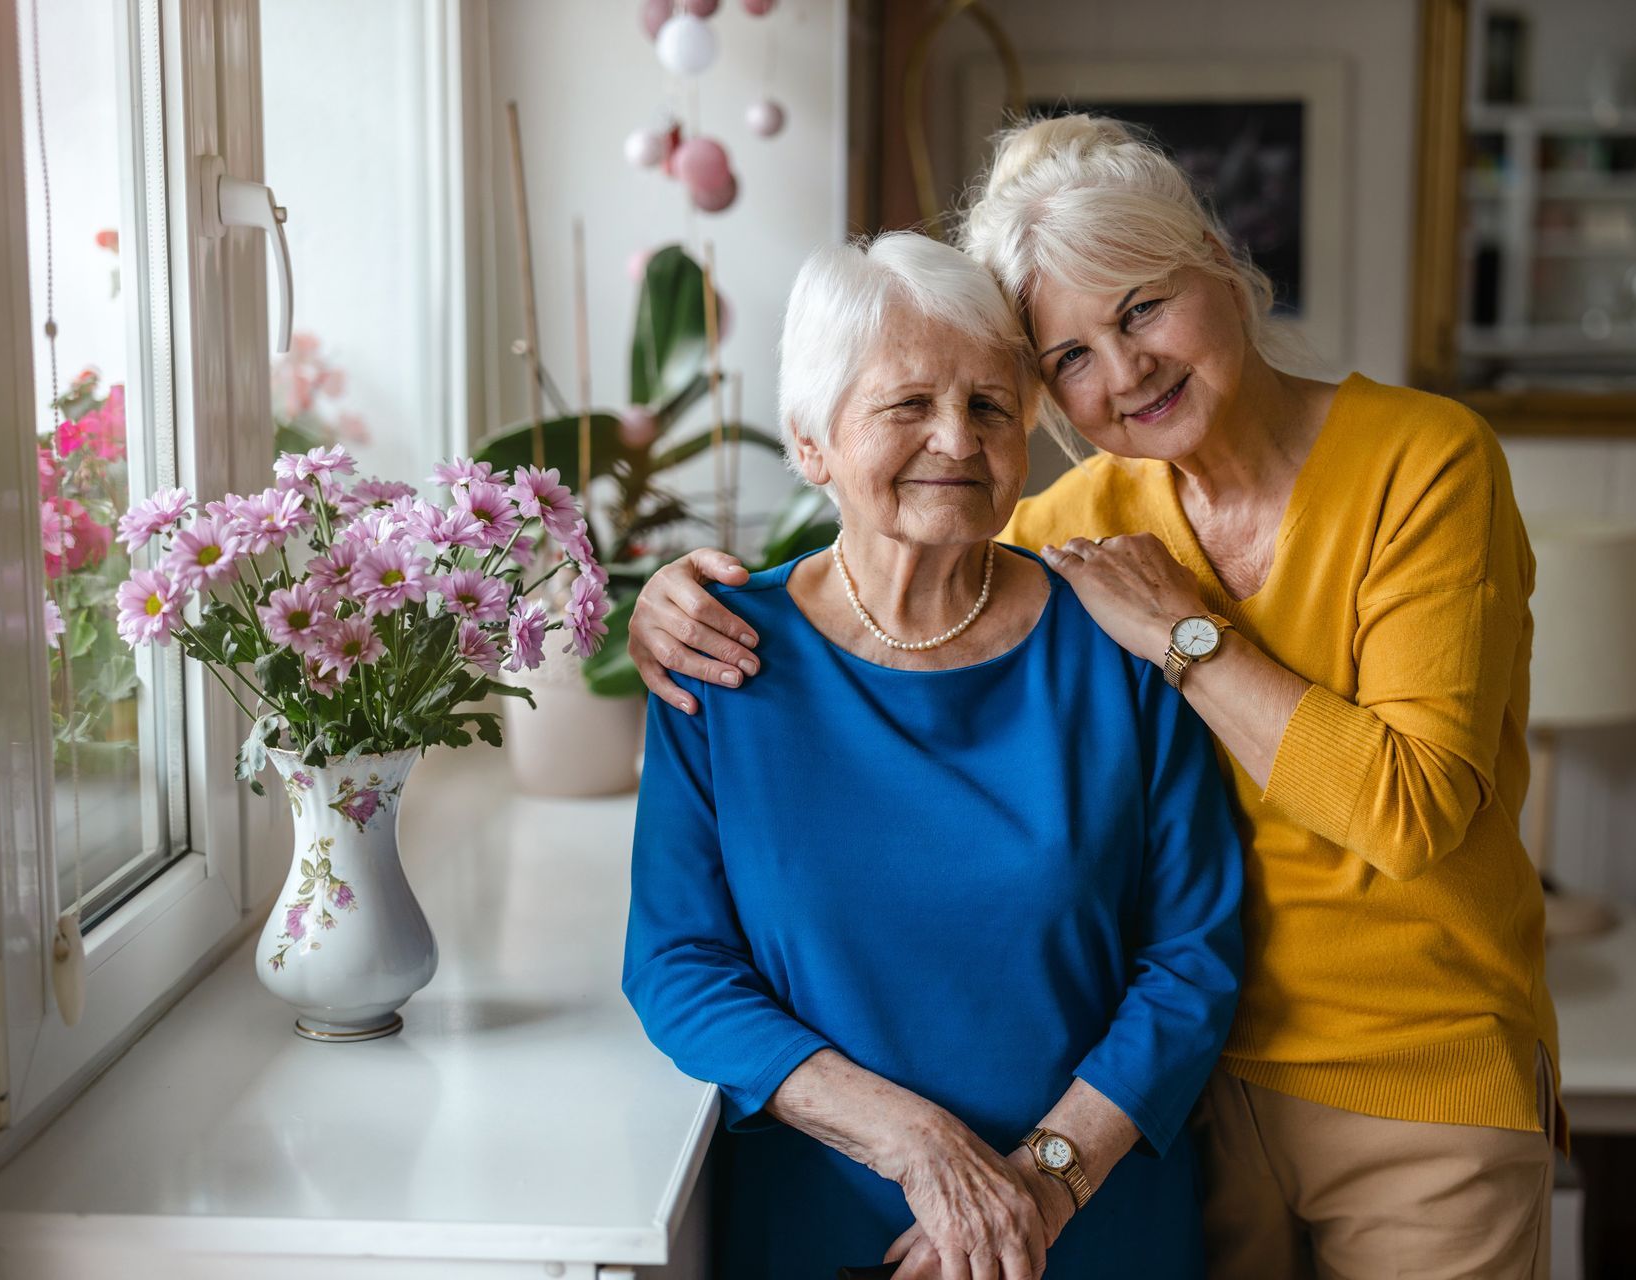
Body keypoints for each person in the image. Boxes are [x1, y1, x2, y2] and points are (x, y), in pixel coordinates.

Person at [628, 115, 1561, 1279]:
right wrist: (663, 595)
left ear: (1222, 263)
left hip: (1399, 1077)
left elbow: (1400, 817)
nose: (1121, 372)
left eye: (1142, 308)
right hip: (1201, 1105)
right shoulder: (1066, 533)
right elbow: (907, 552)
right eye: (1068, 355)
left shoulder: (1414, 466)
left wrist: (1188, 635)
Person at [621, 230, 1245, 1280]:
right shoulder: (721, 652)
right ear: (812, 442)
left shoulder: (1121, 639)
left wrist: (1041, 1182)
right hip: (828, 1214)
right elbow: (679, 964)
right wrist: (920, 1146)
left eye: (991, 406)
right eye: (906, 405)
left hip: (1093, 1218)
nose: (956, 438)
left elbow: (1195, 957)